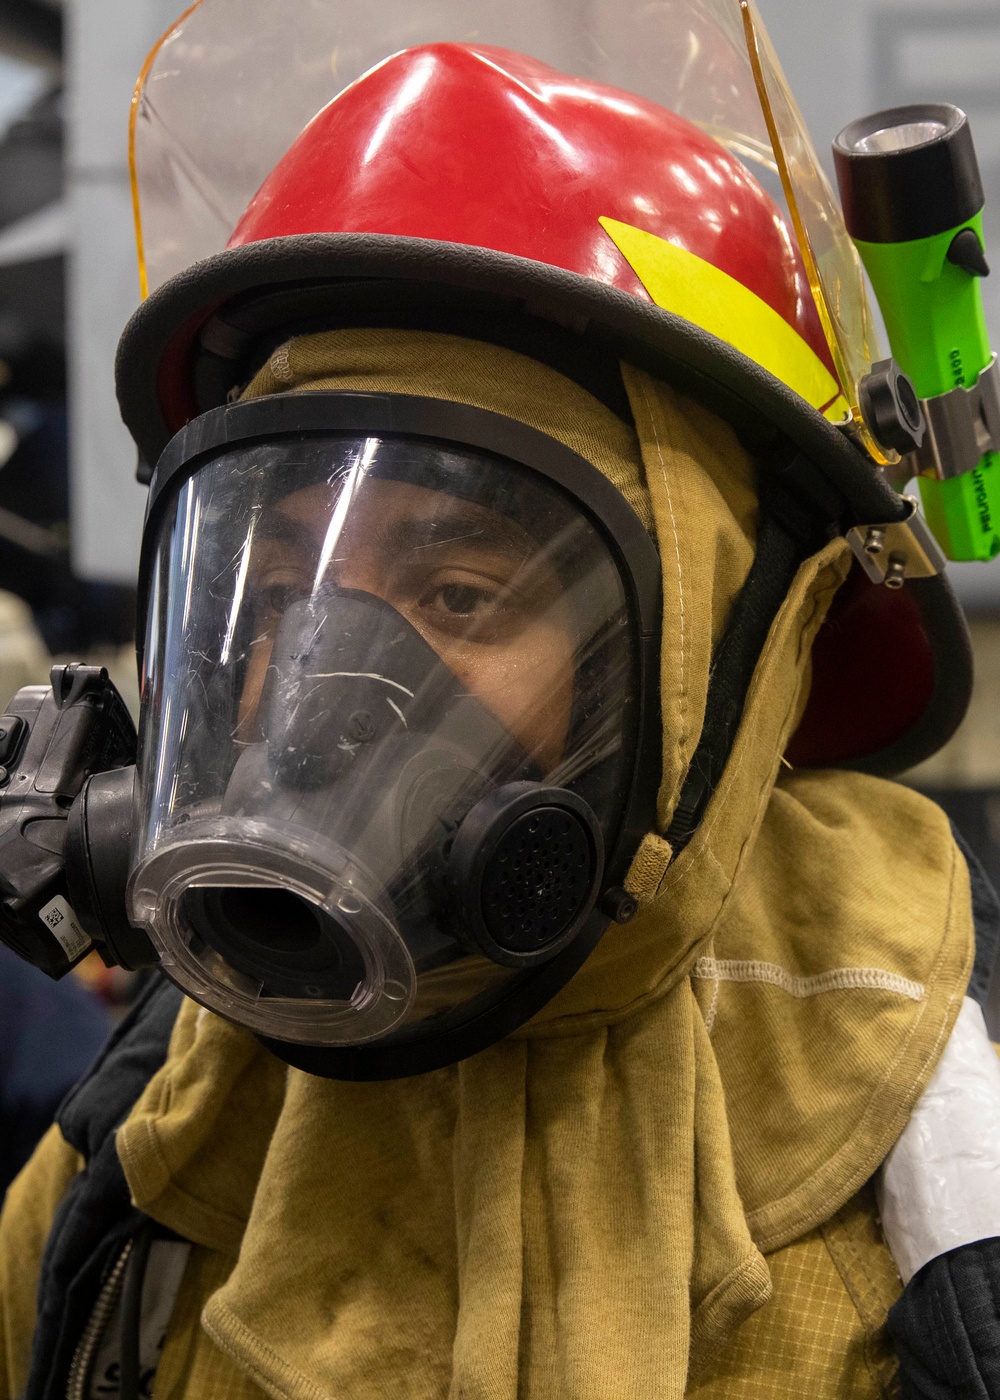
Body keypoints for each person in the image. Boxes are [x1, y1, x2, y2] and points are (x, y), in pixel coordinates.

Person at [1, 15, 1000, 1399]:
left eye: (460, 593)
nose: (314, 681)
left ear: (729, 654)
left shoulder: (949, 1152)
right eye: (278, 581)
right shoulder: (141, 1154)